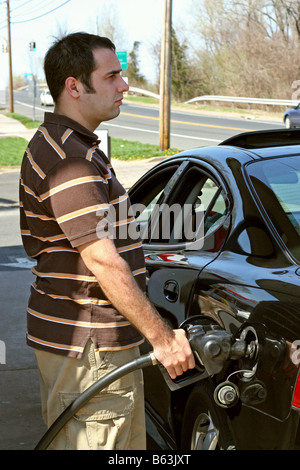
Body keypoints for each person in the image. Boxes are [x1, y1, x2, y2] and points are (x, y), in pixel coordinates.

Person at [19, 32, 195, 450]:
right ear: (74, 86)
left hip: (90, 346)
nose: (124, 86)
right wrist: (164, 339)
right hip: (91, 349)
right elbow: (103, 261)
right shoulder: (70, 161)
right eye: (112, 75)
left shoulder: (72, 146)